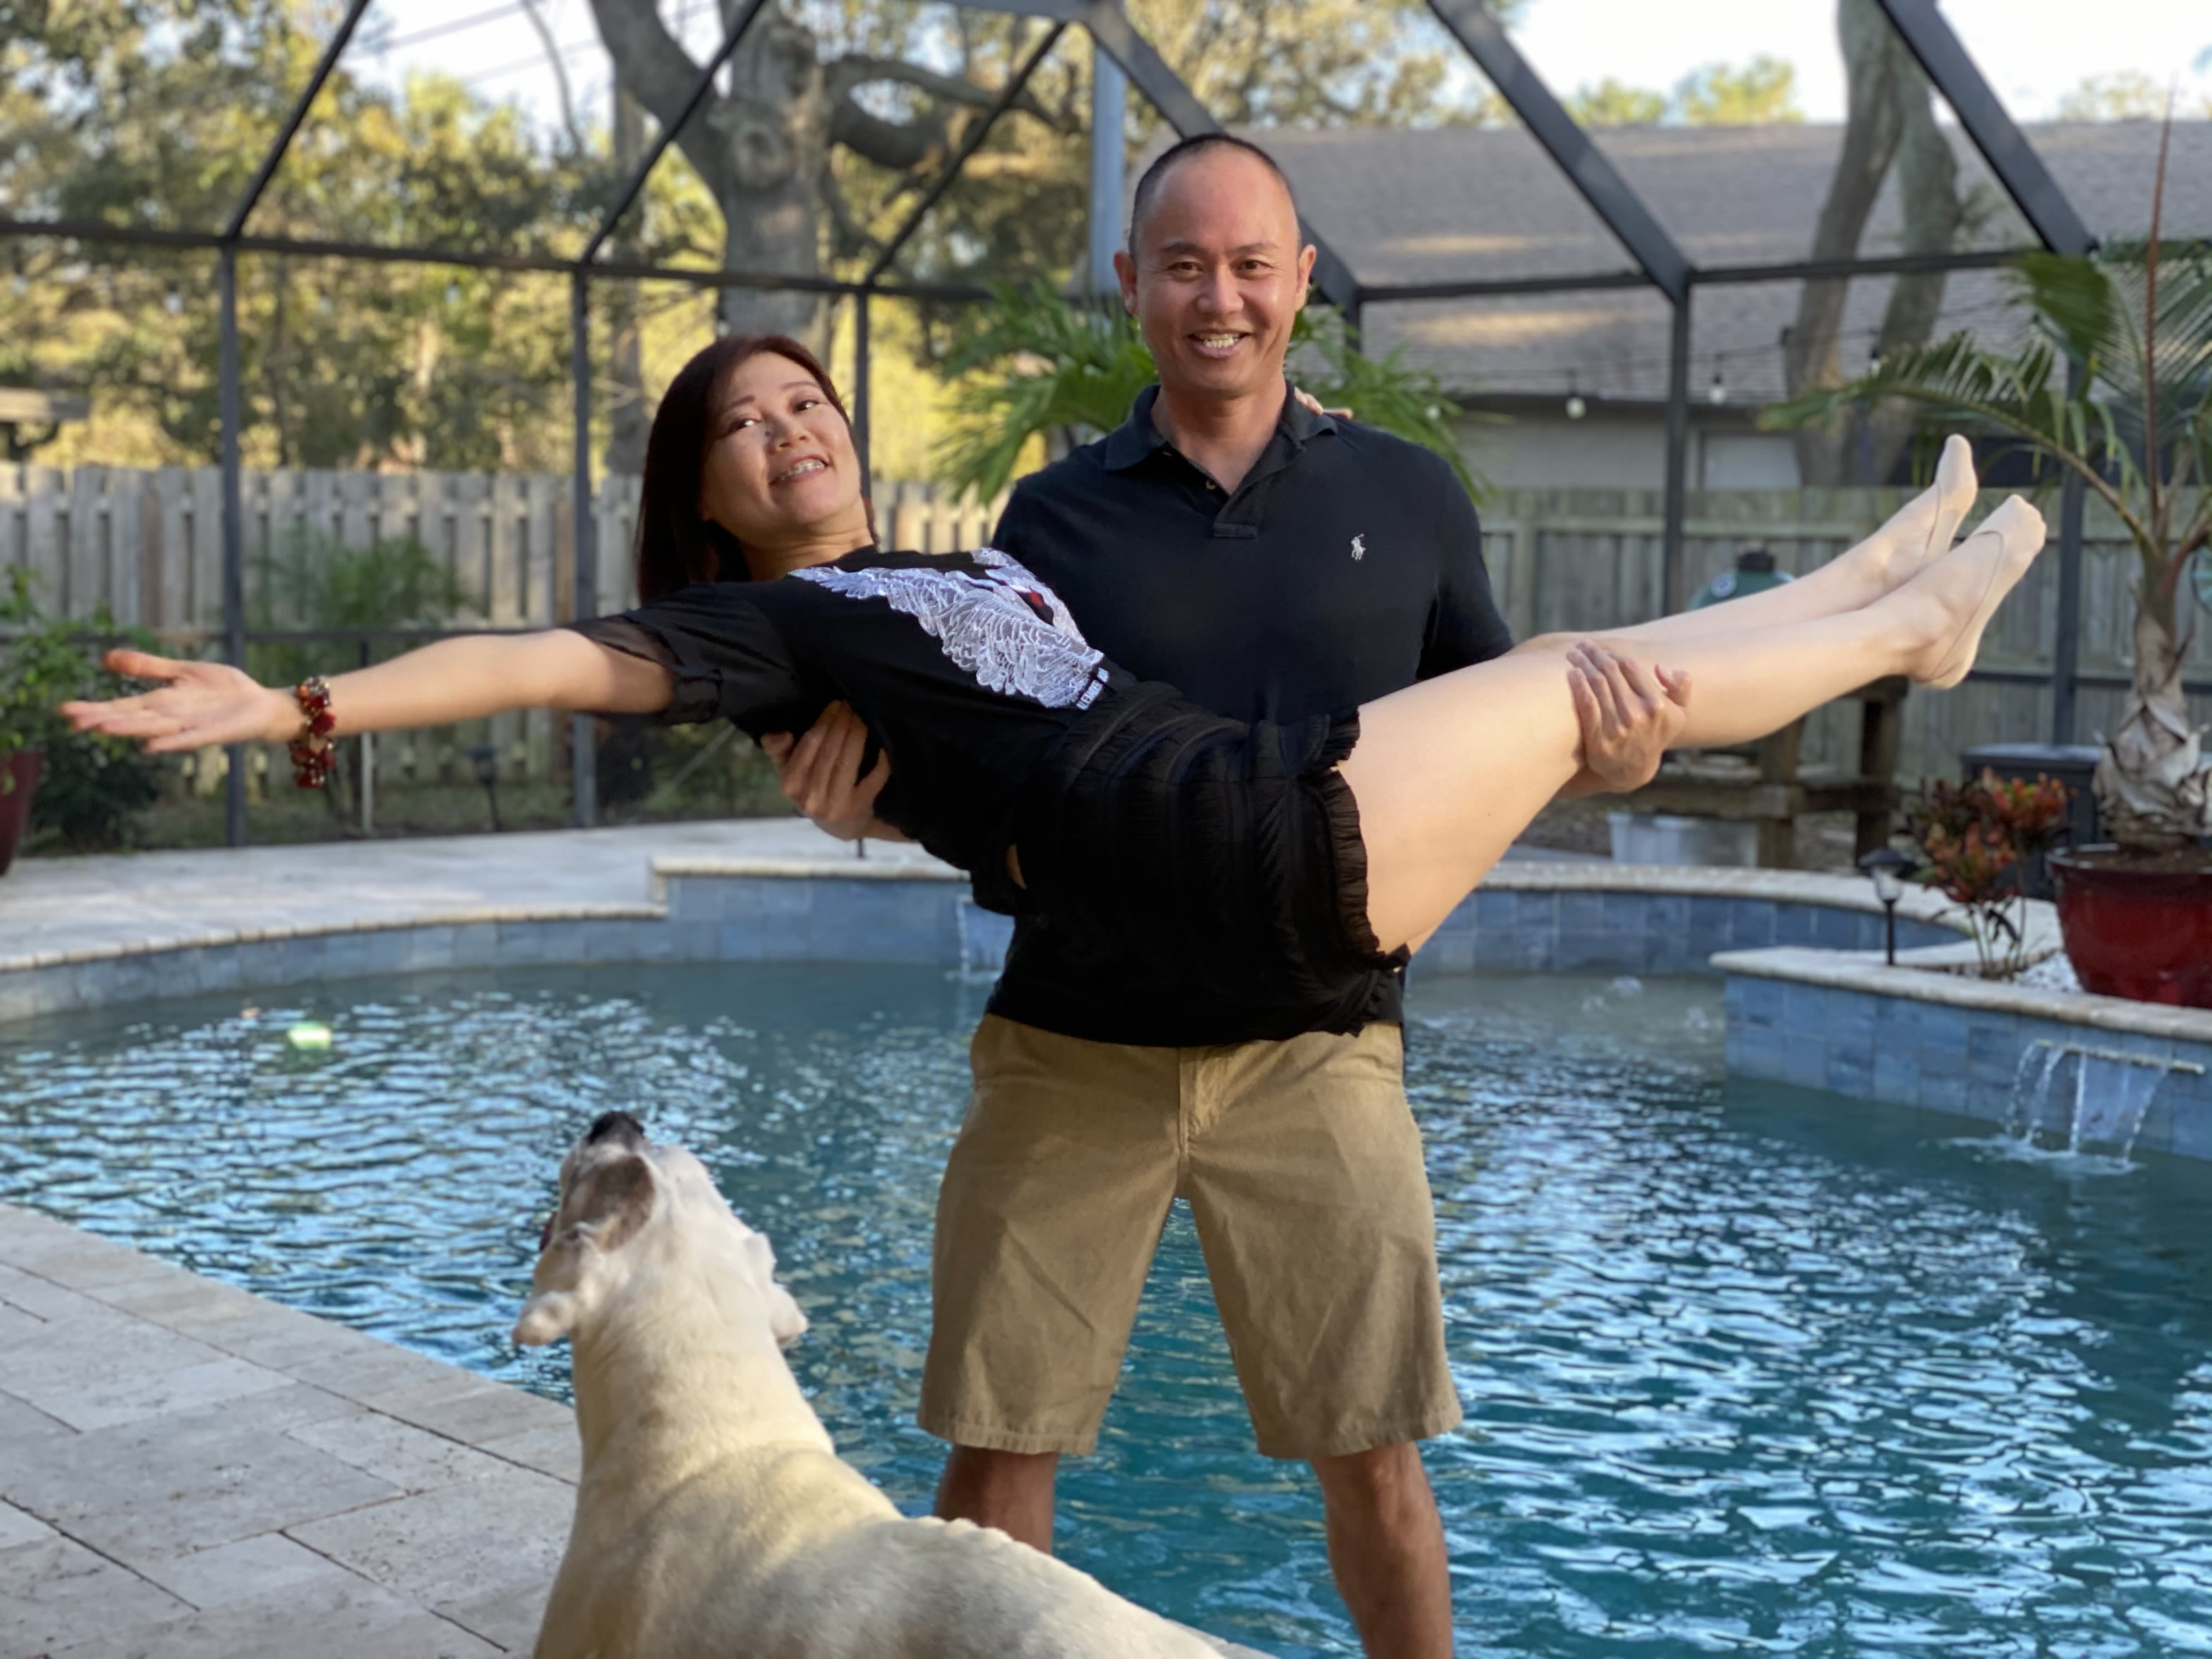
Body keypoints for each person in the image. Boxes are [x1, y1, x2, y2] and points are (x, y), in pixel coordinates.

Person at [67, 334, 2034, 1649]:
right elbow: (545, 657)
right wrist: (303, 702)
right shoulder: (767, 627)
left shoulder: (964, 562)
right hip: (1229, 851)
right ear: (712, 502)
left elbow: (994, 772)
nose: (791, 426)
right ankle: (1902, 629)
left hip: (1248, 848)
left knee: (1588, 669)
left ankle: (1876, 600)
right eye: (743, 426)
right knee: (1573, 678)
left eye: (805, 396)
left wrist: (927, 810)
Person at [757, 133, 1992, 1659]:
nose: (1221, 297)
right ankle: (1893, 608)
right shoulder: (1049, 528)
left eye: (1252, 265)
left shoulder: (1405, 497)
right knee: (998, 1452)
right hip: (1073, 1042)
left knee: (1377, 1461)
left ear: (1302, 285)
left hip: (1318, 1047)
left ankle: (1889, 599)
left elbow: (1506, 730)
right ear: (1132, 282)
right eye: (1187, 265)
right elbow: (1020, 792)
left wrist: (1614, 762)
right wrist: (871, 817)